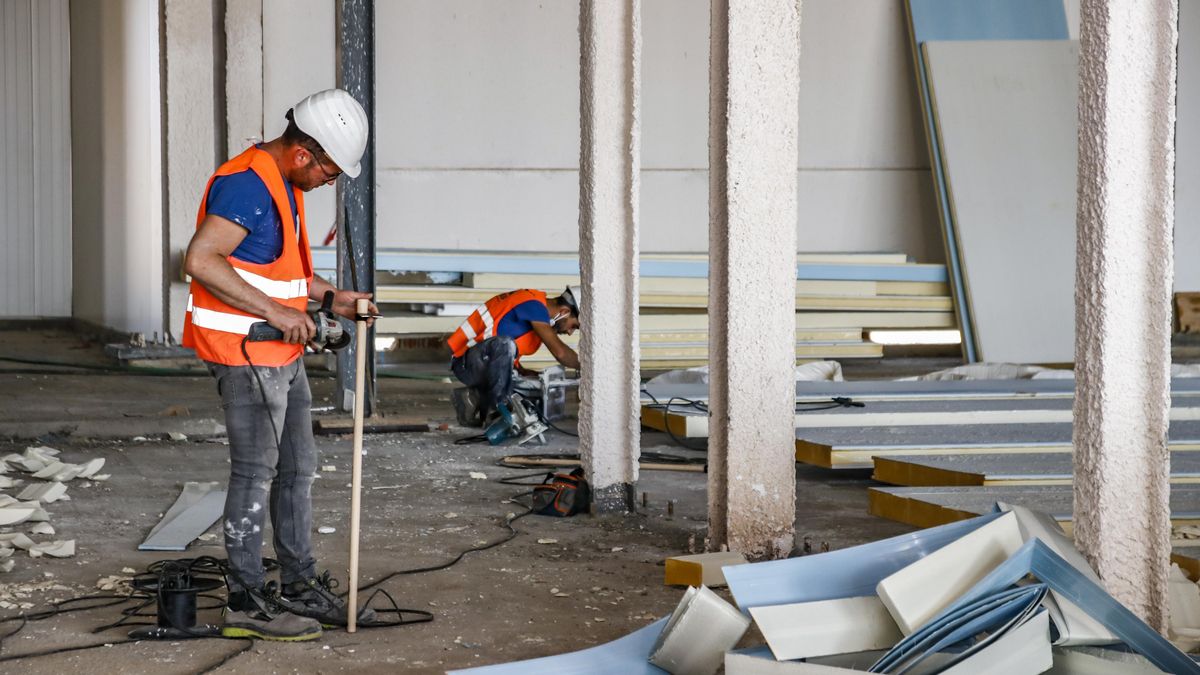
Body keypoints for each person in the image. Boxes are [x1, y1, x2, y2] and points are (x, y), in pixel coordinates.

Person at [182, 88, 378, 641]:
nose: (329, 182)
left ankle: (297, 582)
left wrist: (329, 298)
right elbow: (201, 259)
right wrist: (275, 312)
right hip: (247, 354)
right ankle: (246, 601)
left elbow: (278, 272)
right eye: (331, 173)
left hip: (279, 353)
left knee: (296, 469)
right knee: (255, 474)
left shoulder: (281, 183)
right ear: (302, 155)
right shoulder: (248, 184)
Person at [447, 286, 582, 427]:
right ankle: (499, 413)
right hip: (465, 362)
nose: (570, 332)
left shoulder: (537, 318)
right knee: (505, 344)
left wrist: (523, 372)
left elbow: (505, 352)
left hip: (483, 361)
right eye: (574, 326)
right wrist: (588, 367)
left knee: (532, 387)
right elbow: (560, 353)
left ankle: (471, 400)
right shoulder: (533, 304)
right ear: (564, 312)